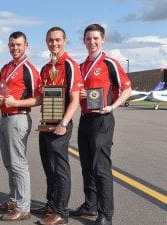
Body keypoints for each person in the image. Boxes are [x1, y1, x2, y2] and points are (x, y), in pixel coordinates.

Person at [70, 23, 132, 225]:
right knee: (86, 165)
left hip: (102, 120)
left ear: (103, 39)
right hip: (85, 119)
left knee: (101, 168)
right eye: (88, 38)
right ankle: (90, 205)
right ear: (84, 41)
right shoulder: (81, 66)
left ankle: (106, 213)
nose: (92, 42)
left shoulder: (109, 63)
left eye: (96, 38)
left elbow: (126, 89)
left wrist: (112, 106)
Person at [32, 27, 83, 225]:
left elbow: (75, 98)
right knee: (48, 166)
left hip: (61, 124)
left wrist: (63, 123)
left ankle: (61, 211)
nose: (54, 43)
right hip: (46, 124)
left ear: (65, 40)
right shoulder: (46, 68)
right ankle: (51, 204)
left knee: (60, 169)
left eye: (58, 40)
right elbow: (41, 96)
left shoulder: (69, 65)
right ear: (46, 42)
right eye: (51, 40)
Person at [0, 31, 42, 221]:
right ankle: (13, 200)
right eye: (12, 45)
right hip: (5, 118)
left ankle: (23, 207)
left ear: (26, 45)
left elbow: (39, 98)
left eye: (19, 45)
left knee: (18, 163)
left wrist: (17, 103)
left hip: (18, 117)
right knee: (9, 162)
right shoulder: (5, 68)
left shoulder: (29, 69)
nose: (15, 48)